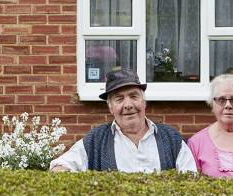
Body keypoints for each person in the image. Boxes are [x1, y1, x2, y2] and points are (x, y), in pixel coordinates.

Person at [50, 69, 197, 173]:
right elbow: (58, 167)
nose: (128, 105)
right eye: (119, 99)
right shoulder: (96, 139)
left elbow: (191, 180)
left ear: (144, 102)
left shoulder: (171, 138)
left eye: (134, 96)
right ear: (111, 108)